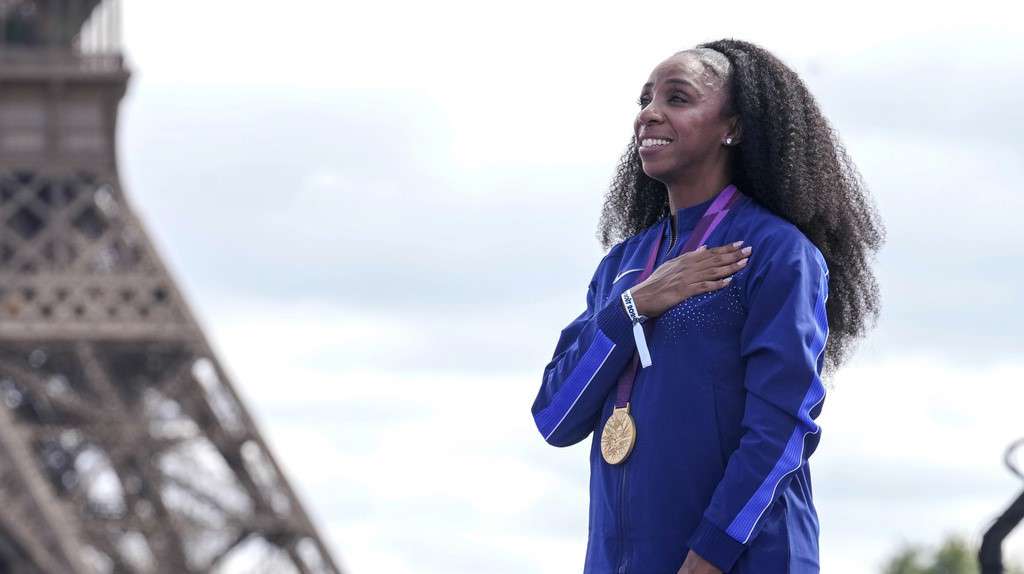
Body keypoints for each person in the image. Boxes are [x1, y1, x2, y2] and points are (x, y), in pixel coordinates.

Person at [530, 39, 884, 574]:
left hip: (741, 559)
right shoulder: (623, 269)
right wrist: (634, 307)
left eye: (677, 98)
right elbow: (555, 418)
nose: (649, 114)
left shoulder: (774, 252)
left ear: (732, 127)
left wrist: (711, 555)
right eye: (645, 99)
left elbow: (781, 427)